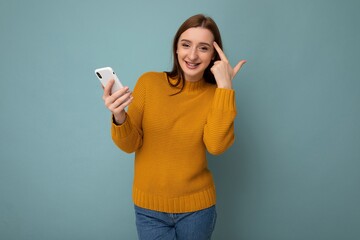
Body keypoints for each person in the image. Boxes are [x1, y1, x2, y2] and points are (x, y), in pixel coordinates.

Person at [102, 14, 246, 240]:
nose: (192, 55)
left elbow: (216, 146)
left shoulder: (217, 96)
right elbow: (130, 145)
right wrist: (119, 115)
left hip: (198, 210)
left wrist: (225, 87)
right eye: (186, 45)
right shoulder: (149, 83)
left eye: (203, 48)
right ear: (176, 48)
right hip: (150, 210)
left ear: (214, 56)